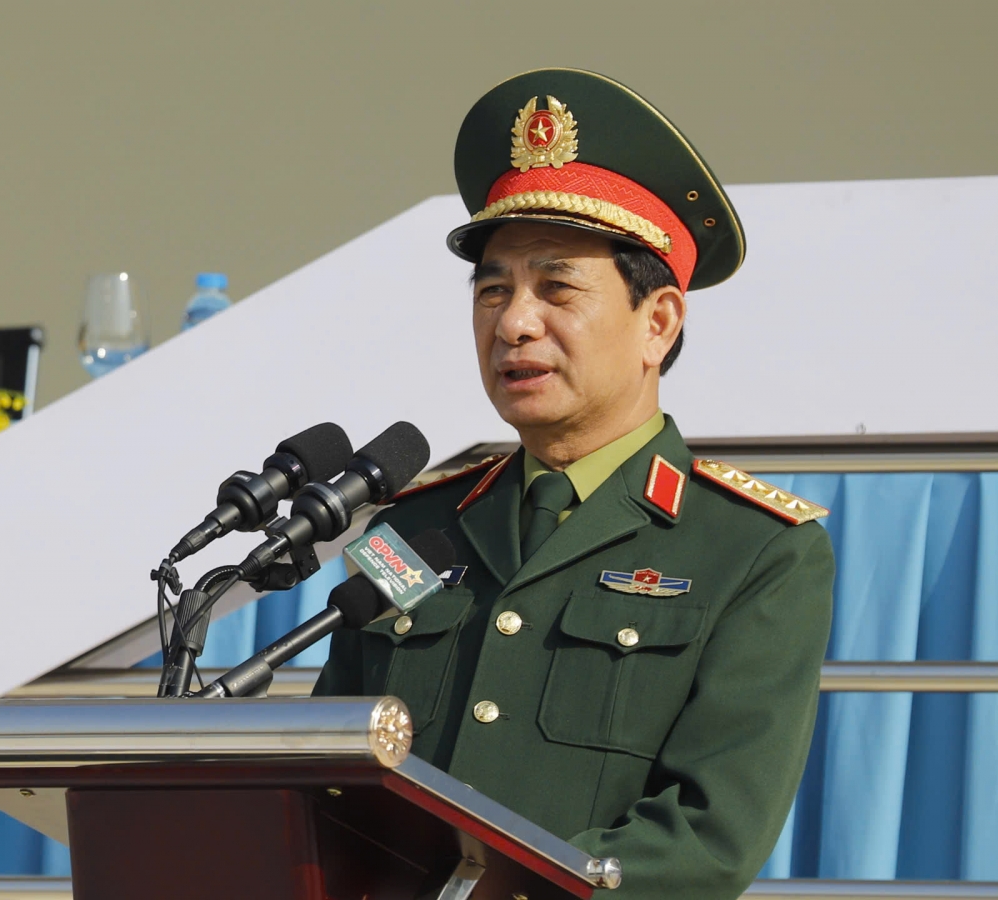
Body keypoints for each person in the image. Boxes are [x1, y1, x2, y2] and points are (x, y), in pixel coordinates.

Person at [313, 68, 835, 900]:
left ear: (657, 323)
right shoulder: (410, 529)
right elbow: (330, 776)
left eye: (556, 287)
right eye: (493, 289)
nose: (514, 322)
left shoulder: (752, 550)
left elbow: (707, 837)